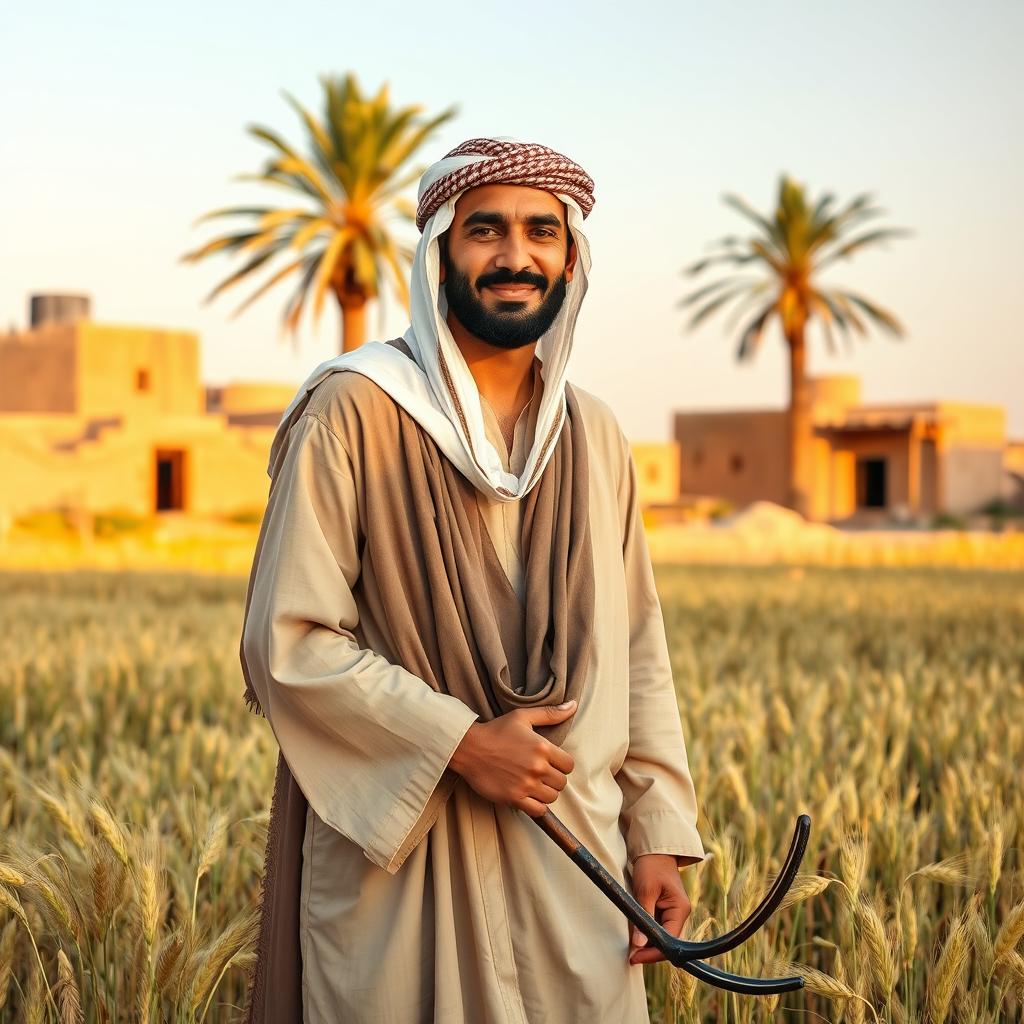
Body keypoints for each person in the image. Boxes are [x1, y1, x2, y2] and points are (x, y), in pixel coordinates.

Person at [239, 136, 705, 1024]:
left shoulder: (595, 434)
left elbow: (638, 648)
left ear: (571, 259)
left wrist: (656, 836)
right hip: (406, 872)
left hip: (577, 866)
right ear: (440, 252)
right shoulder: (355, 410)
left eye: (542, 232)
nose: (515, 256)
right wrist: (460, 743)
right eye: (485, 230)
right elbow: (289, 641)